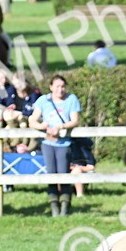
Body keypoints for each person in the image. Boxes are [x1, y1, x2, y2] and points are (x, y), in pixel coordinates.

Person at [29, 74, 82, 217]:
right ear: (51, 87)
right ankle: (54, 206)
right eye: (57, 86)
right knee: (51, 173)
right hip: (48, 142)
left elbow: (75, 120)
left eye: (63, 86)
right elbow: (32, 120)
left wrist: (61, 127)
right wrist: (42, 126)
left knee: (63, 173)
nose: (60, 90)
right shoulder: (43, 100)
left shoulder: (71, 100)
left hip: (64, 142)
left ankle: (65, 205)